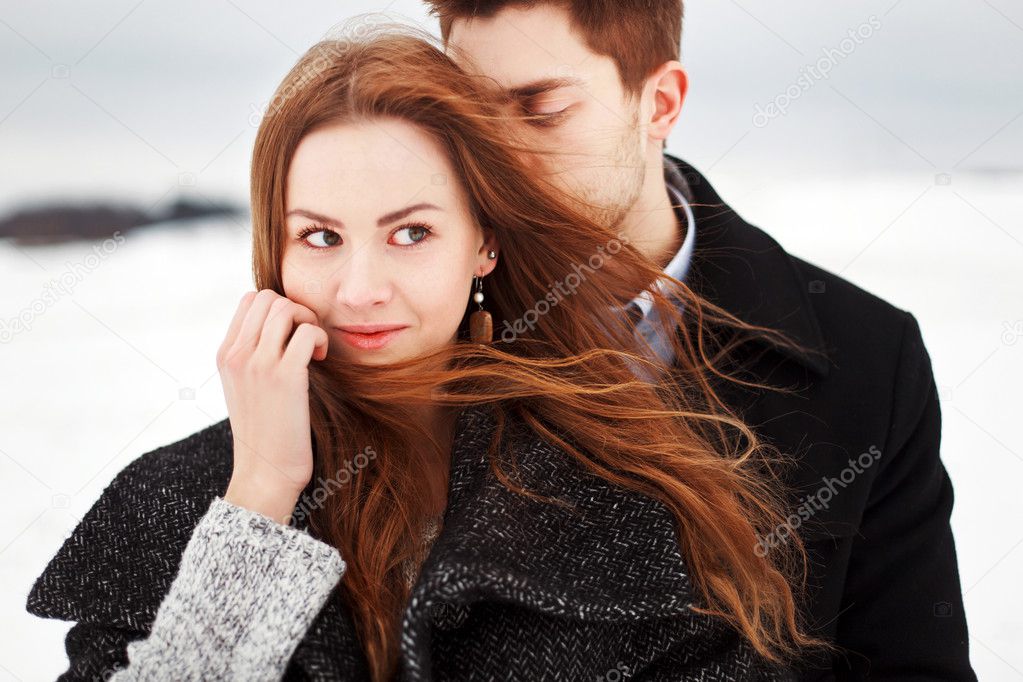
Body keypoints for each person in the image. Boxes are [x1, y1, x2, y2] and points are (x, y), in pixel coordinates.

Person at [25, 26, 843, 682]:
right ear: (273, 250)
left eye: (410, 233)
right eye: (320, 237)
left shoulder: (634, 490)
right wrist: (260, 496)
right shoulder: (179, 500)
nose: (359, 288)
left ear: (482, 244)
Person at [423, 0, 977, 679]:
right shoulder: (409, 330)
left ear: (659, 103)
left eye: (539, 108)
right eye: (468, 119)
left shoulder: (868, 355)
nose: (492, 159)